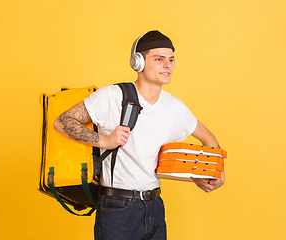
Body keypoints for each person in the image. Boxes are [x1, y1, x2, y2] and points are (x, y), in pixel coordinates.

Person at [53, 30, 225, 240]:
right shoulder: (112, 96)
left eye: (171, 60)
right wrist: (104, 141)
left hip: (154, 205)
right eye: (159, 59)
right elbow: (62, 121)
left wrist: (210, 173)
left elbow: (209, 140)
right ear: (138, 62)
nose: (167, 65)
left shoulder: (175, 107)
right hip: (117, 207)